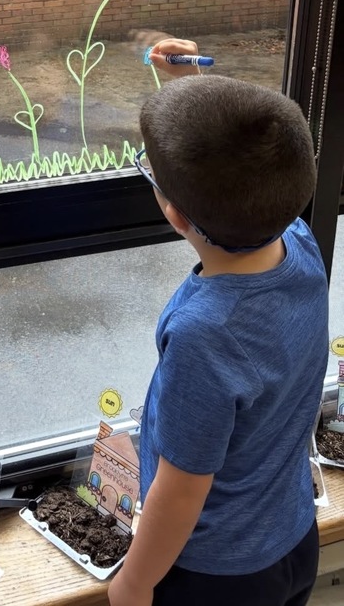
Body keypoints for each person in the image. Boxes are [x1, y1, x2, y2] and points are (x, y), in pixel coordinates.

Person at [108, 38, 329, 606]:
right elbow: (249, 170)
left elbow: (181, 493)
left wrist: (135, 581)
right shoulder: (299, 241)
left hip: (216, 578)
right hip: (293, 538)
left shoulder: (205, 334)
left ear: (175, 213)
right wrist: (188, 89)